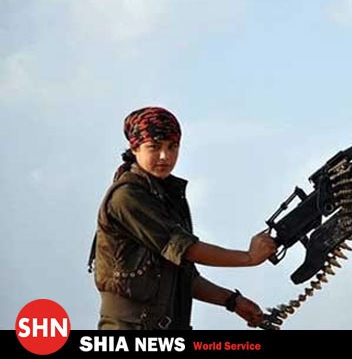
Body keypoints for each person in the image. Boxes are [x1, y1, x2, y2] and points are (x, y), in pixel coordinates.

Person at [88, 106, 276, 330]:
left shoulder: (166, 194)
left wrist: (232, 301)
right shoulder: (127, 196)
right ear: (135, 148)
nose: (165, 156)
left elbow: (184, 275)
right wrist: (249, 257)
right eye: (154, 147)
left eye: (172, 147)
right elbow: (185, 249)